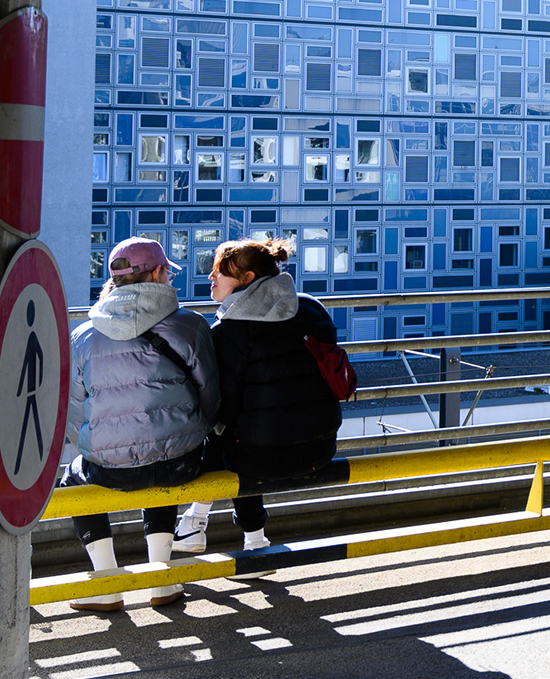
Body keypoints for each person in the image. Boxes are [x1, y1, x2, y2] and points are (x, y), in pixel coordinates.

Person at [63, 238, 218, 611]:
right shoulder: (189, 325)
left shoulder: (83, 335)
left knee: (72, 479)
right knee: (164, 449)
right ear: (160, 273)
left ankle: (107, 584)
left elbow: (74, 412)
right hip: (180, 463)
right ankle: (161, 580)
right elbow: (211, 395)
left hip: (109, 470)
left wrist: (97, 446)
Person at [174, 238, 342, 561]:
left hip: (264, 459)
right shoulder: (311, 310)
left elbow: (224, 410)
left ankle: (227, 531)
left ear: (248, 279)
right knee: (243, 431)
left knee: (224, 433)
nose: (211, 278)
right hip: (320, 448)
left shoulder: (228, 331)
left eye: (220, 271)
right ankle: (207, 526)